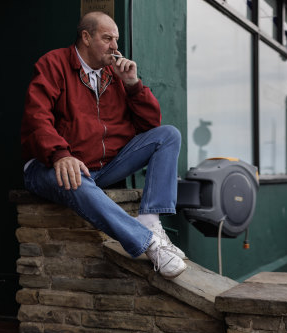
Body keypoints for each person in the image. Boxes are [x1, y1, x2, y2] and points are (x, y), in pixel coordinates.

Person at [20, 11, 187, 279]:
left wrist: (133, 85)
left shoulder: (116, 73)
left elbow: (150, 126)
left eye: (116, 39)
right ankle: (150, 244)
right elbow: (36, 117)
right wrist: (60, 154)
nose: (115, 47)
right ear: (86, 37)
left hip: (103, 167)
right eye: (107, 38)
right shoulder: (54, 63)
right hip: (48, 166)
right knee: (76, 179)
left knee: (168, 135)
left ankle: (150, 221)